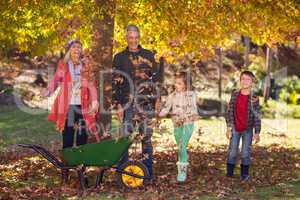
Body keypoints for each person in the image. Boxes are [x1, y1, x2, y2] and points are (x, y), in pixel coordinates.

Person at [42, 39, 100, 181]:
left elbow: (92, 85)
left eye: (79, 47)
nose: (77, 50)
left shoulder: (86, 66)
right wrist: (48, 91)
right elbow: (56, 81)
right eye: (74, 47)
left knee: (82, 140)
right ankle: (65, 173)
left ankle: (81, 174)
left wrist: (95, 100)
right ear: (69, 50)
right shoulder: (64, 65)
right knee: (67, 141)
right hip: (68, 108)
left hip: (83, 108)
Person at [112, 25, 160, 179]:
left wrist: (158, 99)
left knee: (146, 139)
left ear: (139, 38)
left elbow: (156, 79)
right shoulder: (119, 58)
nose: (133, 40)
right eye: (130, 37)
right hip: (127, 105)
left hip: (146, 104)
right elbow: (115, 83)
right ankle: (123, 175)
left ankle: (147, 175)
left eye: (135, 37)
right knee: (124, 140)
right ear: (126, 38)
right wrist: (118, 105)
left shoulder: (148, 55)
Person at [158, 72, 199, 182]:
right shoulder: (172, 96)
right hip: (176, 124)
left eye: (180, 83)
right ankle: (183, 161)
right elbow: (166, 108)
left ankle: (182, 173)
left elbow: (193, 109)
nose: (177, 85)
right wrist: (159, 115)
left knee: (181, 145)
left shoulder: (191, 95)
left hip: (187, 123)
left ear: (186, 84)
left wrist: (185, 117)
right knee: (181, 147)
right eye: (176, 83)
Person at [225, 70, 261, 181]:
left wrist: (257, 132)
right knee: (232, 151)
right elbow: (230, 111)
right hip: (235, 127)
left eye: (248, 79)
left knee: (245, 152)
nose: (245, 81)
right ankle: (229, 174)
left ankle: (244, 174)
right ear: (240, 81)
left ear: (252, 82)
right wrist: (229, 127)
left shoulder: (254, 98)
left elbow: (256, 116)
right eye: (243, 79)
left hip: (248, 129)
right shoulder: (235, 94)